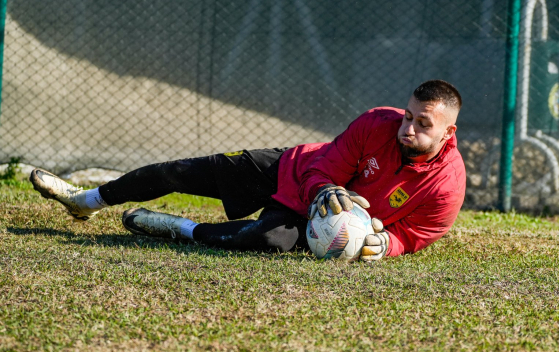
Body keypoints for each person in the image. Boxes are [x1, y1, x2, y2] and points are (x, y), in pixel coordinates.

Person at [30, 79, 466, 261]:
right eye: (409, 116)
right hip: (293, 170)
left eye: (422, 124)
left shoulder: (447, 187)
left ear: (449, 132)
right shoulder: (378, 123)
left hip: (316, 222)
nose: (407, 128)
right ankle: (84, 201)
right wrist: (321, 190)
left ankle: (175, 227)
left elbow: (416, 234)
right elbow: (324, 166)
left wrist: (384, 246)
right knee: (182, 171)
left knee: (262, 241)